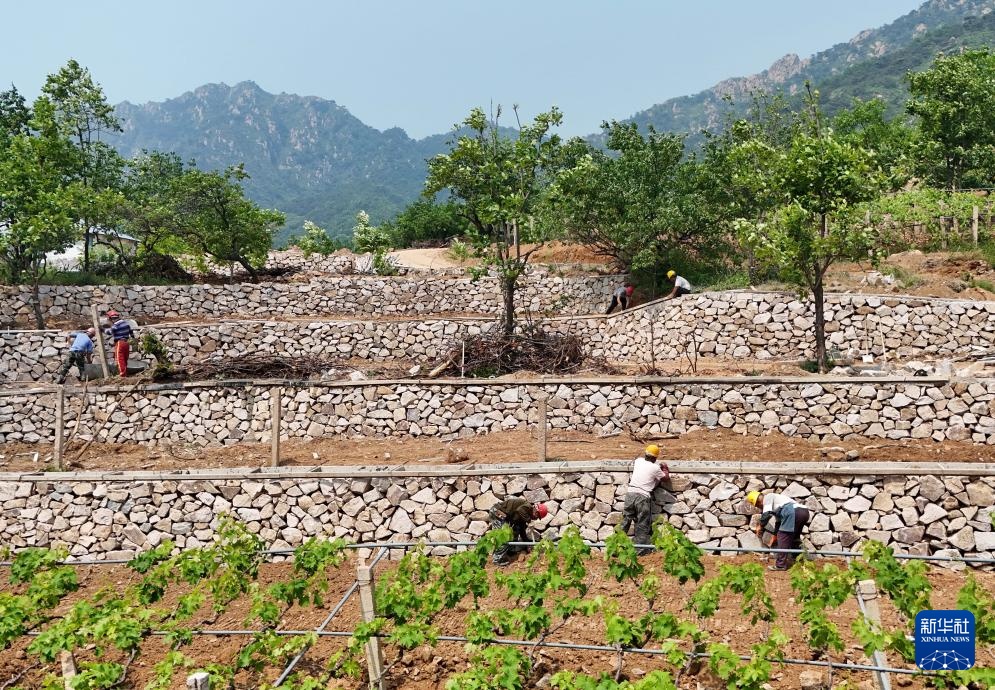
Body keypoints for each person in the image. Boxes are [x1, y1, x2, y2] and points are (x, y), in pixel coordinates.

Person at [620, 444, 670, 555]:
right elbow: (665, 478)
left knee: (625, 521)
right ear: (655, 458)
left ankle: (615, 547)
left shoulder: (638, 461)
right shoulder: (655, 468)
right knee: (642, 524)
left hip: (630, 494)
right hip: (642, 497)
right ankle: (639, 551)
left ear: (645, 454)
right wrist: (665, 469)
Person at [746, 490, 811, 571]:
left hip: (792, 512)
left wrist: (760, 526)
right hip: (803, 513)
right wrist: (775, 535)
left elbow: (766, 514)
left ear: (758, 502)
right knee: (794, 538)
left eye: (758, 506)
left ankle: (780, 565)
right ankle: (799, 559)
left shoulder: (768, 497)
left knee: (783, 537)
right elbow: (778, 522)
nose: (759, 508)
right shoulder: (779, 504)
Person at [488, 498, 548, 565]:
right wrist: (529, 520)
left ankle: (510, 552)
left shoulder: (523, 515)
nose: (536, 519)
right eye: (537, 517)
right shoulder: (527, 507)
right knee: (503, 537)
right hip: (497, 513)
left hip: (502, 516)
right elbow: (520, 510)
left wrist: (527, 544)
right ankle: (497, 560)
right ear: (536, 512)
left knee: (516, 531)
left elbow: (522, 530)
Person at [105, 310, 134, 378]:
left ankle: (122, 375)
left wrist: (102, 329)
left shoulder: (115, 325)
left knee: (119, 359)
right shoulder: (126, 323)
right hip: (126, 342)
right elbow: (131, 331)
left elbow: (109, 332)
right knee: (124, 358)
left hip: (120, 343)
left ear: (111, 319)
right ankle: (125, 373)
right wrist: (132, 337)